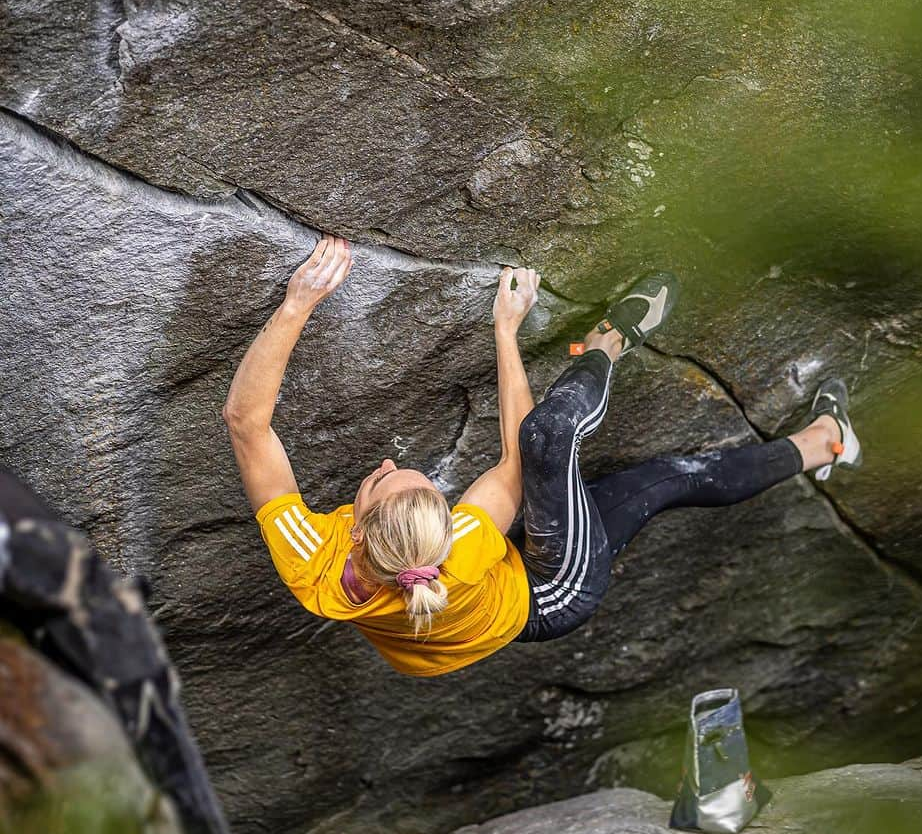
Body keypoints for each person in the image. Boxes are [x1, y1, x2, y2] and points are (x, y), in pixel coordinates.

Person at [223, 237, 861, 676]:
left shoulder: (313, 565)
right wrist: (506, 330)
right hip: (546, 595)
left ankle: (825, 443)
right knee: (625, 467)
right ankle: (612, 340)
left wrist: (297, 302)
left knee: (645, 480)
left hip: (468, 610)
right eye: (385, 480)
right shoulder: (464, 547)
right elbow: (518, 454)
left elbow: (246, 424)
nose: (386, 466)